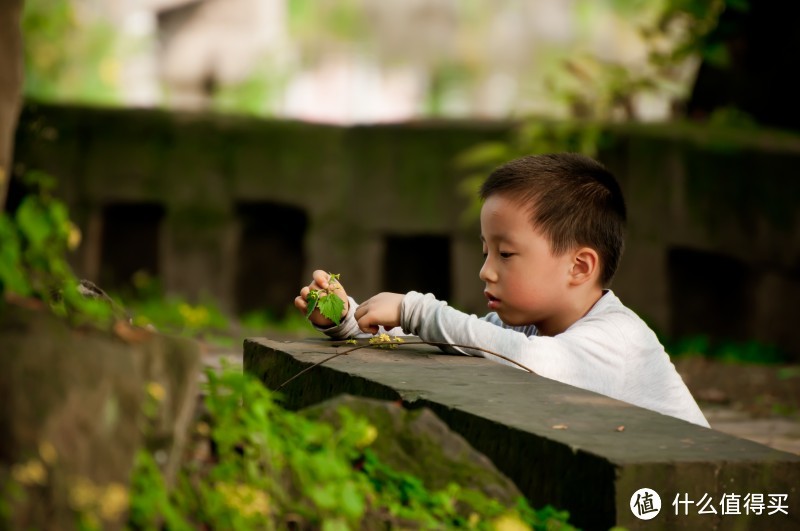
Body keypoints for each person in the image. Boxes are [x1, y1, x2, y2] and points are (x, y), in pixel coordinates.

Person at [294, 153, 710, 428]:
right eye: (485, 251)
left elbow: (527, 359)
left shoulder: (620, 340)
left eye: (506, 254)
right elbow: (445, 341)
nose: (485, 271)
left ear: (579, 267)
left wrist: (416, 308)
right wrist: (349, 321)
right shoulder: (527, 328)